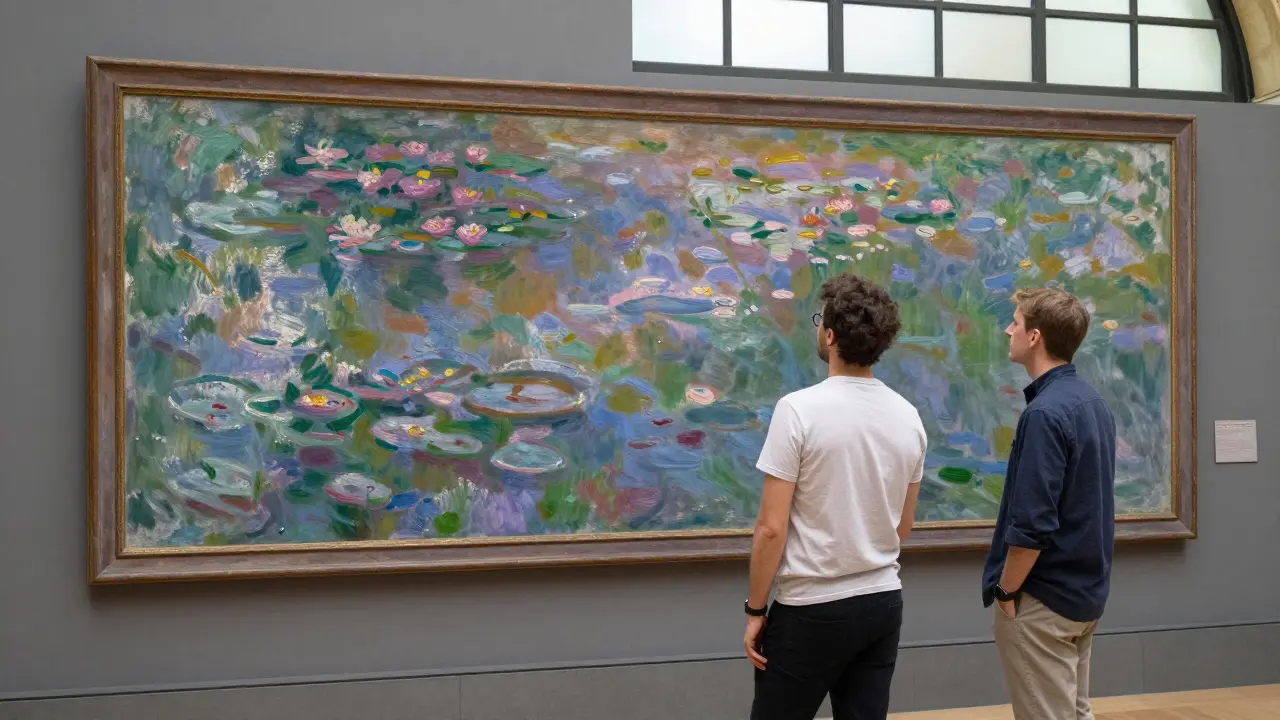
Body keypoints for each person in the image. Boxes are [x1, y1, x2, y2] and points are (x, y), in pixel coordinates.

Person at [744, 273, 927, 720]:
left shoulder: (798, 410)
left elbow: (771, 528)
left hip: (811, 608)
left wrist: (755, 609)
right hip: (882, 600)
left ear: (829, 334)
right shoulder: (909, 417)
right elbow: (901, 528)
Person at [982, 287, 1117, 720]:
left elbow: (1033, 526)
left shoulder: (1044, 414)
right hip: (1084, 598)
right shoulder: (1094, 403)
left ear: (1035, 336)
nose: (1008, 329)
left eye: (1016, 322)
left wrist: (1006, 590)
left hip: (1043, 602)